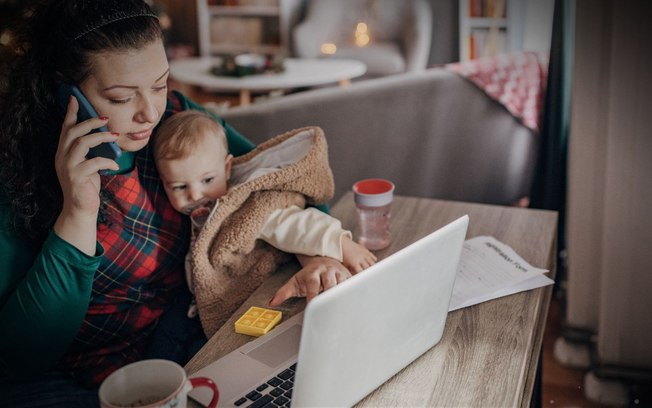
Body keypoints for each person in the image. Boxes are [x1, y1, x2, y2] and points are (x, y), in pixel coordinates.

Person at [0, 0, 355, 405]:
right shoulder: (18, 171)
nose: (150, 113)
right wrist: (77, 212)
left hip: (177, 338)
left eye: (159, 84)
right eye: (121, 97)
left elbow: (281, 183)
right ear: (66, 93)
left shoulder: (177, 122)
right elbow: (24, 357)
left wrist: (317, 257)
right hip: (66, 378)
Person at [152, 110, 377, 316]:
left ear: (227, 168)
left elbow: (293, 223)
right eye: (180, 187)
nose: (195, 195)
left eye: (208, 180)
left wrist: (342, 243)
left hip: (255, 296)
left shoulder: (245, 206)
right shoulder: (194, 212)